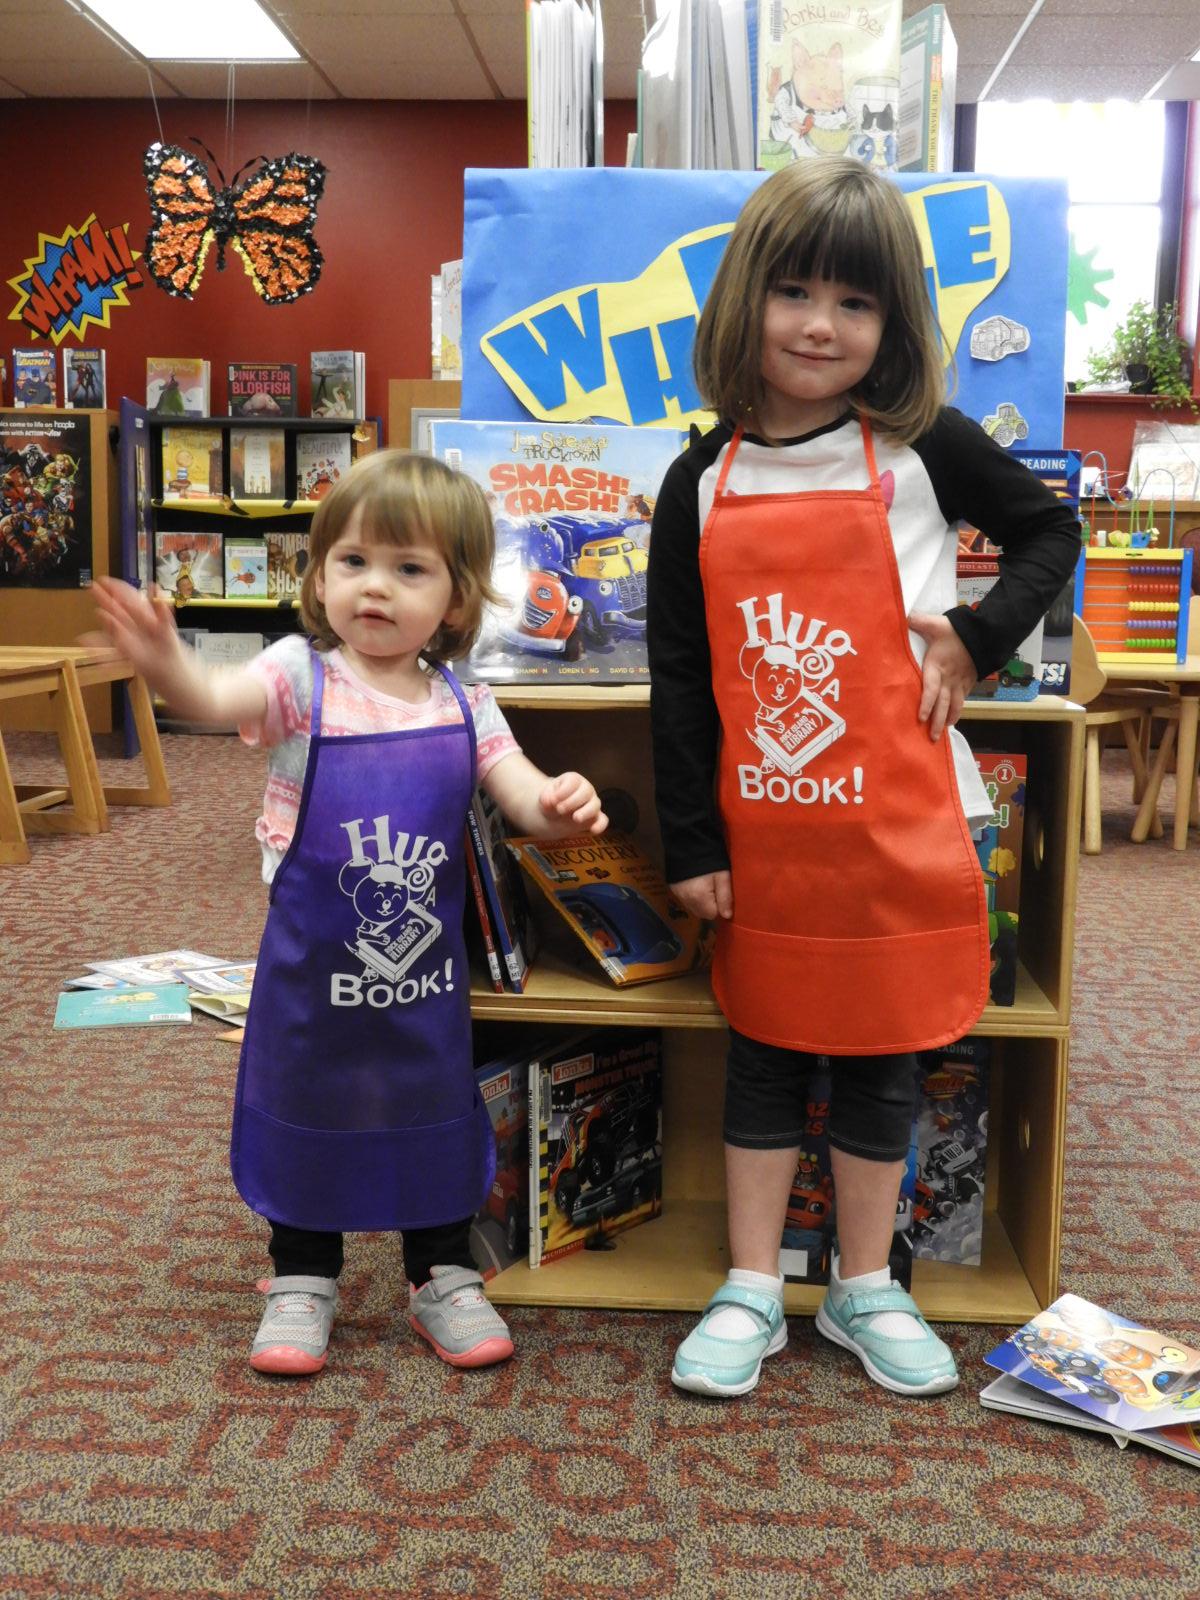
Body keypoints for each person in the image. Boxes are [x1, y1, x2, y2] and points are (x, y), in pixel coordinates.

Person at [646, 158, 1080, 1400]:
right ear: (746, 303)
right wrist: (693, 842)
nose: (820, 324)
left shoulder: (925, 446)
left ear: (892, 326)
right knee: (767, 1050)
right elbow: (682, 680)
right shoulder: (699, 481)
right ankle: (748, 1283)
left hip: (899, 823)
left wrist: (978, 633)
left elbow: (1053, 532)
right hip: (765, 834)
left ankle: (866, 1281)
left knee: (885, 1053)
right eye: (792, 291)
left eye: (855, 302)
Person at [92, 450, 607, 1377]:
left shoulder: (467, 701)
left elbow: (524, 798)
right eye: (354, 562)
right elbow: (213, 700)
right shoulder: (299, 676)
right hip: (309, 971)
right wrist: (167, 662)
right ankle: (302, 1274)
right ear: (318, 573)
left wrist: (562, 800)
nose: (376, 588)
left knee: (431, 1103)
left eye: (409, 570)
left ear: (454, 602)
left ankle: (440, 1271)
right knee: (308, 1097)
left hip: (423, 981)